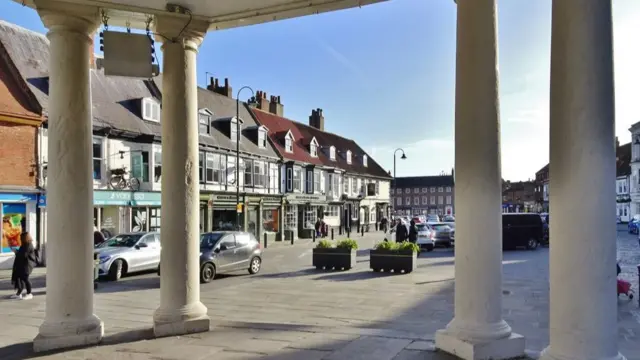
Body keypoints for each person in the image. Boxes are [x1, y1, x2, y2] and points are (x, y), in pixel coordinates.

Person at [11, 232, 37, 300]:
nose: (20, 239)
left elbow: (24, 255)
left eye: (21, 238)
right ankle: (19, 294)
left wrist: (16, 252)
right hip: (22, 265)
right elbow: (21, 253)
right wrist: (16, 251)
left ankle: (29, 293)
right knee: (20, 279)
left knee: (25, 278)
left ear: (24, 238)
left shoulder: (28, 245)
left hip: (27, 265)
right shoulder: (24, 244)